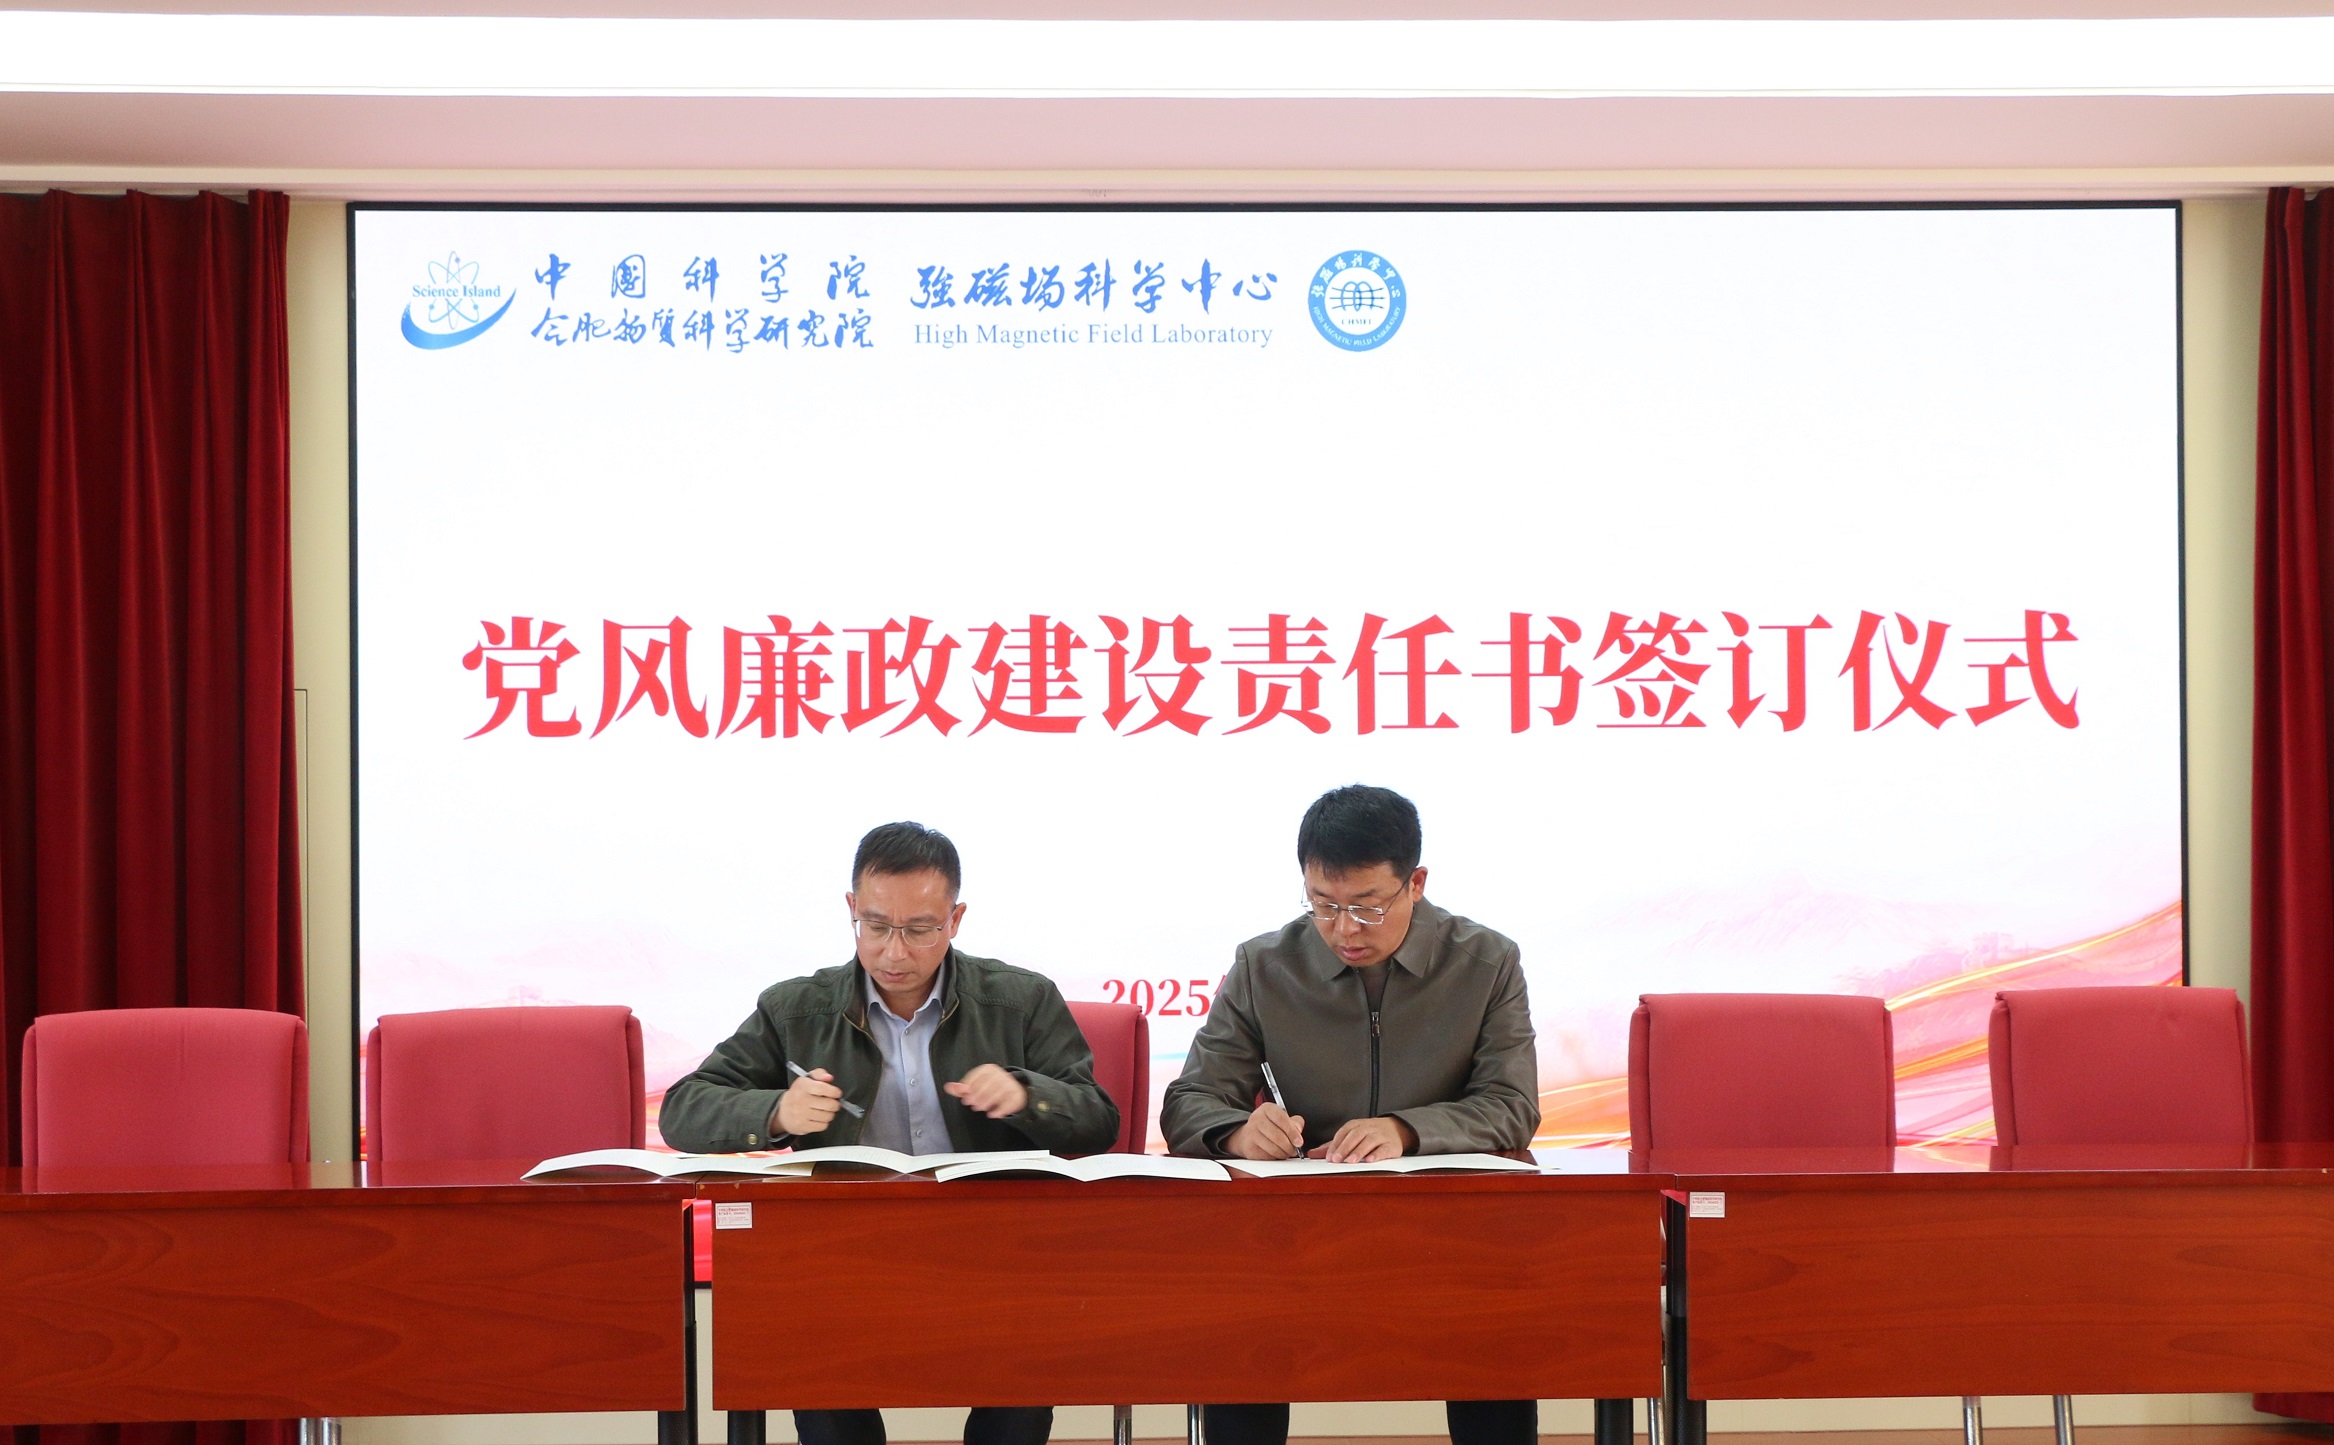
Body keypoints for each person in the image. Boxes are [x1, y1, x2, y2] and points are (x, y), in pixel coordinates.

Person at [661, 820, 1117, 1445]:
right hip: (844, 1256)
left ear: (955, 920)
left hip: (993, 1252)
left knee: (1022, 1372)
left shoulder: (1022, 1001)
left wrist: (1026, 1095)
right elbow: (684, 1108)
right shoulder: (796, 1009)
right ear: (852, 909)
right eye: (875, 927)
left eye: (919, 930)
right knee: (806, 1344)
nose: (894, 953)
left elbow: (1098, 1117)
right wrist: (776, 1113)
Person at [1160, 784, 1540, 1445]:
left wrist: (1406, 1130)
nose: (1343, 930)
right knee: (1240, 1321)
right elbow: (1190, 1099)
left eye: (1366, 907)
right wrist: (1237, 1131)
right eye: (1323, 905)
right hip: (1298, 1232)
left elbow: (1512, 1104)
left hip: (1448, 1228)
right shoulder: (1264, 964)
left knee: (1495, 1327)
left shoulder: (1485, 961)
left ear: (1415, 883)